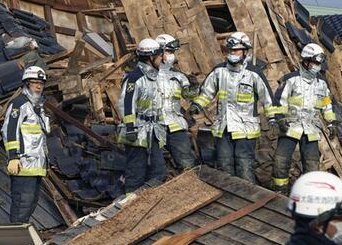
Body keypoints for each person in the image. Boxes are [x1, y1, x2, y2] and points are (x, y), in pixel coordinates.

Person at [196, 31, 280, 183]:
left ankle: (249, 200)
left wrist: (273, 119)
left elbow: (267, 99)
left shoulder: (253, 73)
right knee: (224, 165)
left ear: (245, 51)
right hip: (223, 128)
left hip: (245, 130)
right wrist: (197, 105)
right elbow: (206, 93)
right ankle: (230, 201)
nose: (232, 53)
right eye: (230, 50)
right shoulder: (219, 71)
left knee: (244, 166)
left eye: (236, 50)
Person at [271, 43, 338, 192]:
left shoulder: (322, 84)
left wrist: (332, 123)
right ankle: (280, 190)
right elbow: (278, 102)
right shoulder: (290, 80)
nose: (317, 66)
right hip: (290, 128)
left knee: (312, 164)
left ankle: (308, 193)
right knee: (281, 161)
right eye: (314, 62)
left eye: (319, 63)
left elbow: (327, 105)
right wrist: (280, 119)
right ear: (306, 61)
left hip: (311, 130)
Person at [2, 66, 51, 223]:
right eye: (34, 83)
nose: (38, 86)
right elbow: (10, 130)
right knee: (22, 204)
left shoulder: (38, 107)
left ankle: (20, 238)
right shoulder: (19, 103)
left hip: (36, 166)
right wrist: (13, 157)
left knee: (30, 203)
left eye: (41, 83)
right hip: (22, 164)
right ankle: (15, 240)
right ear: (26, 84)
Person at [118, 38, 167, 193]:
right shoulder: (134, 78)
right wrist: (131, 128)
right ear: (150, 57)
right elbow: (126, 104)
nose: (162, 59)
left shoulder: (156, 77)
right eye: (159, 56)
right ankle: (131, 207)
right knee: (136, 173)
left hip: (154, 131)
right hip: (137, 132)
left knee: (158, 171)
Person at [156, 34, 201, 171]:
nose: (172, 55)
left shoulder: (177, 75)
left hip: (175, 127)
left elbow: (188, 95)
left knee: (187, 164)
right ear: (159, 52)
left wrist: (193, 86)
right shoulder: (145, 74)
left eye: (173, 52)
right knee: (155, 167)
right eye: (169, 51)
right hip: (153, 127)